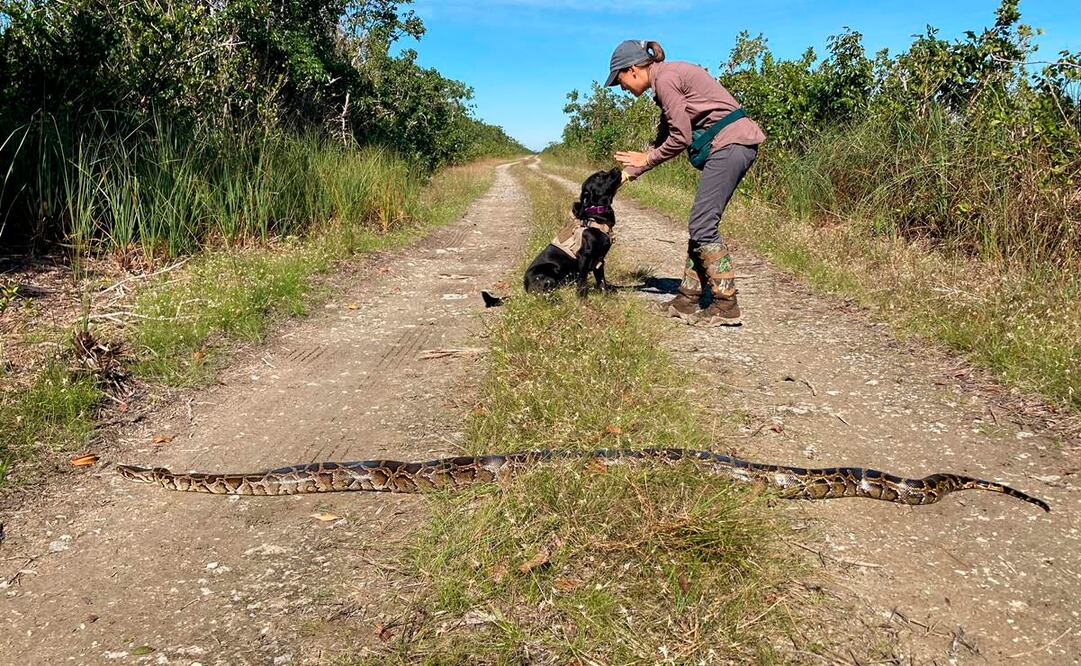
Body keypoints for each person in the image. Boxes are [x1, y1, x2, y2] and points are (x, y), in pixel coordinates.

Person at [608, 40, 765, 327]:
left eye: (620, 82)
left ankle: (726, 304)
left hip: (731, 145)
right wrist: (627, 173)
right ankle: (687, 299)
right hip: (731, 145)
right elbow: (663, 137)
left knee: (703, 224)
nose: (623, 89)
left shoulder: (666, 79)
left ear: (632, 70)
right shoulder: (667, 78)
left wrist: (645, 159)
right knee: (699, 223)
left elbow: (680, 138)